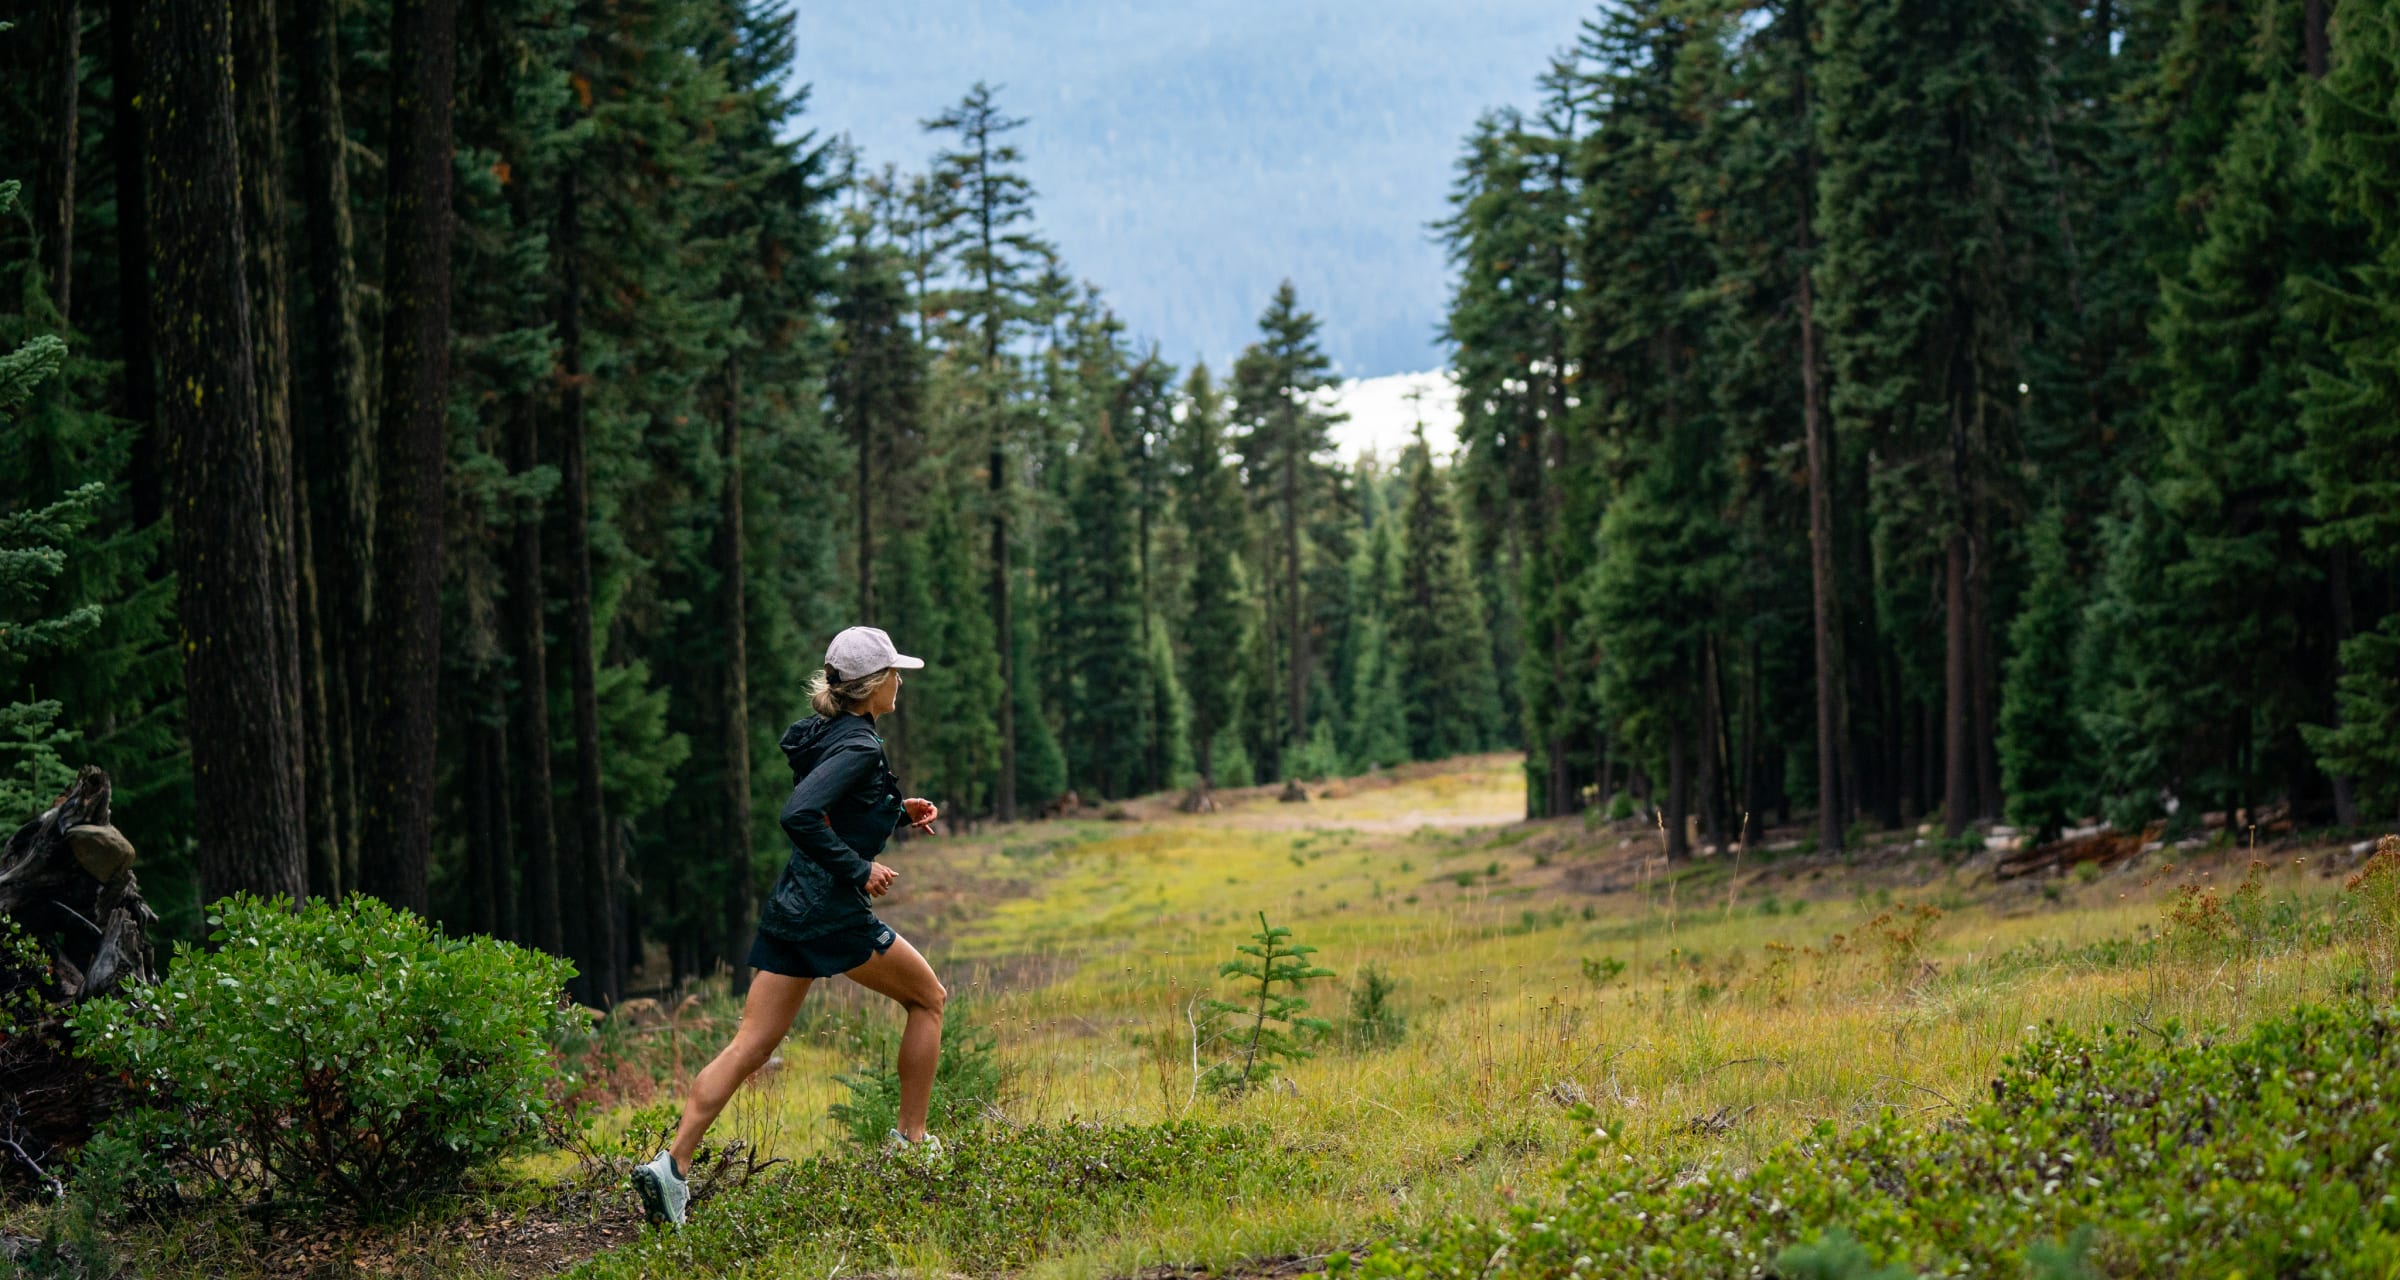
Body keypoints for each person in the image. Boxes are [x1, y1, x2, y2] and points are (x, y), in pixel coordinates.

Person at [632, 625, 947, 1227]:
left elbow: (832, 807)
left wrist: (895, 812)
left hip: (792, 907)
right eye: (895, 673)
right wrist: (859, 869)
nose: (902, 682)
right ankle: (911, 1143)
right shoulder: (859, 745)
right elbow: (800, 814)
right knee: (929, 999)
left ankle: (670, 1169)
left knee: (750, 1044)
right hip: (830, 913)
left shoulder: (831, 733)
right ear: (874, 684)